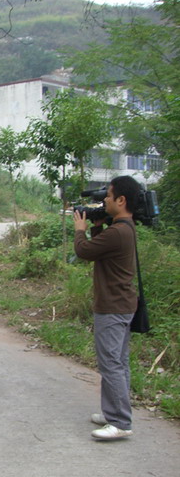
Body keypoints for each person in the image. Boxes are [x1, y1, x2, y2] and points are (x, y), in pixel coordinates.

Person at [74, 175, 141, 440]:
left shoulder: (118, 232)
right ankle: (113, 411)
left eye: (109, 196)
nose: (105, 200)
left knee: (110, 363)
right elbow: (101, 251)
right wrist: (98, 225)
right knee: (119, 362)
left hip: (112, 306)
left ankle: (121, 422)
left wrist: (81, 227)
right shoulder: (124, 228)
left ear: (121, 200)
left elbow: (84, 252)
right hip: (122, 304)